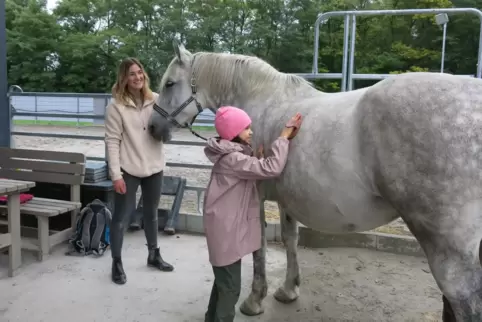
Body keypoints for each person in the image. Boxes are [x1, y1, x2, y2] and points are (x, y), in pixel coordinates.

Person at [202, 106, 303, 322]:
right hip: (225, 233)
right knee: (230, 290)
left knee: (222, 284)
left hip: (225, 231)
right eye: (246, 128)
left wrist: (254, 159)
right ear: (232, 133)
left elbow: (248, 174)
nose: (251, 131)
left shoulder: (231, 156)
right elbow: (272, 168)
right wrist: (283, 138)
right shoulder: (234, 160)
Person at [104, 57, 174, 285]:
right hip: (129, 168)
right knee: (121, 217)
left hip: (154, 166)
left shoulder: (156, 100)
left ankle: (154, 255)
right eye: (132, 74)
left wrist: (167, 131)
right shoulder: (116, 107)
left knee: (151, 213)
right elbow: (112, 141)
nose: (137, 77)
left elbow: (169, 127)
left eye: (140, 72)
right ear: (123, 77)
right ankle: (116, 262)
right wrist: (116, 175)